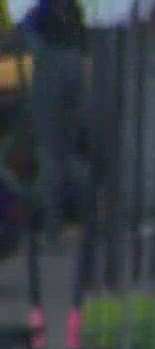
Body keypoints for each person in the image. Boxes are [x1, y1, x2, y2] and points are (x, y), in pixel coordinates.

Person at [8, 0, 86, 245]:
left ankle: (52, 227)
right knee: (60, 154)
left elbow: (27, 26)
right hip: (69, 57)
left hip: (54, 58)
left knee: (52, 153)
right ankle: (55, 225)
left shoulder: (44, 9)